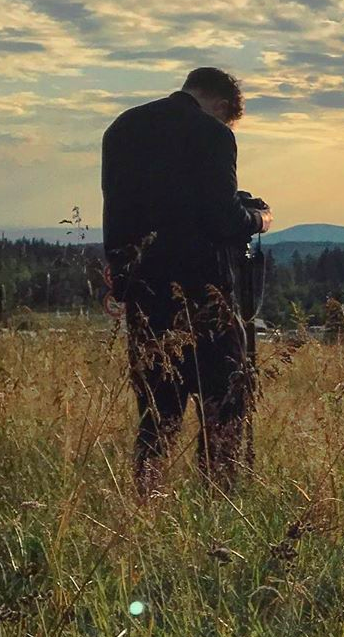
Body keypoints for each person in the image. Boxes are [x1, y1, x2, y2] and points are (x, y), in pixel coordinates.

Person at [101, 67, 272, 497]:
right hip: (203, 295)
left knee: (157, 415)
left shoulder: (122, 128)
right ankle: (220, 499)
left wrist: (122, 283)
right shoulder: (211, 135)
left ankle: (147, 500)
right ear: (221, 105)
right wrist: (258, 219)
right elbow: (220, 218)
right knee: (226, 401)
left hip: (144, 293)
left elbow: (118, 216)